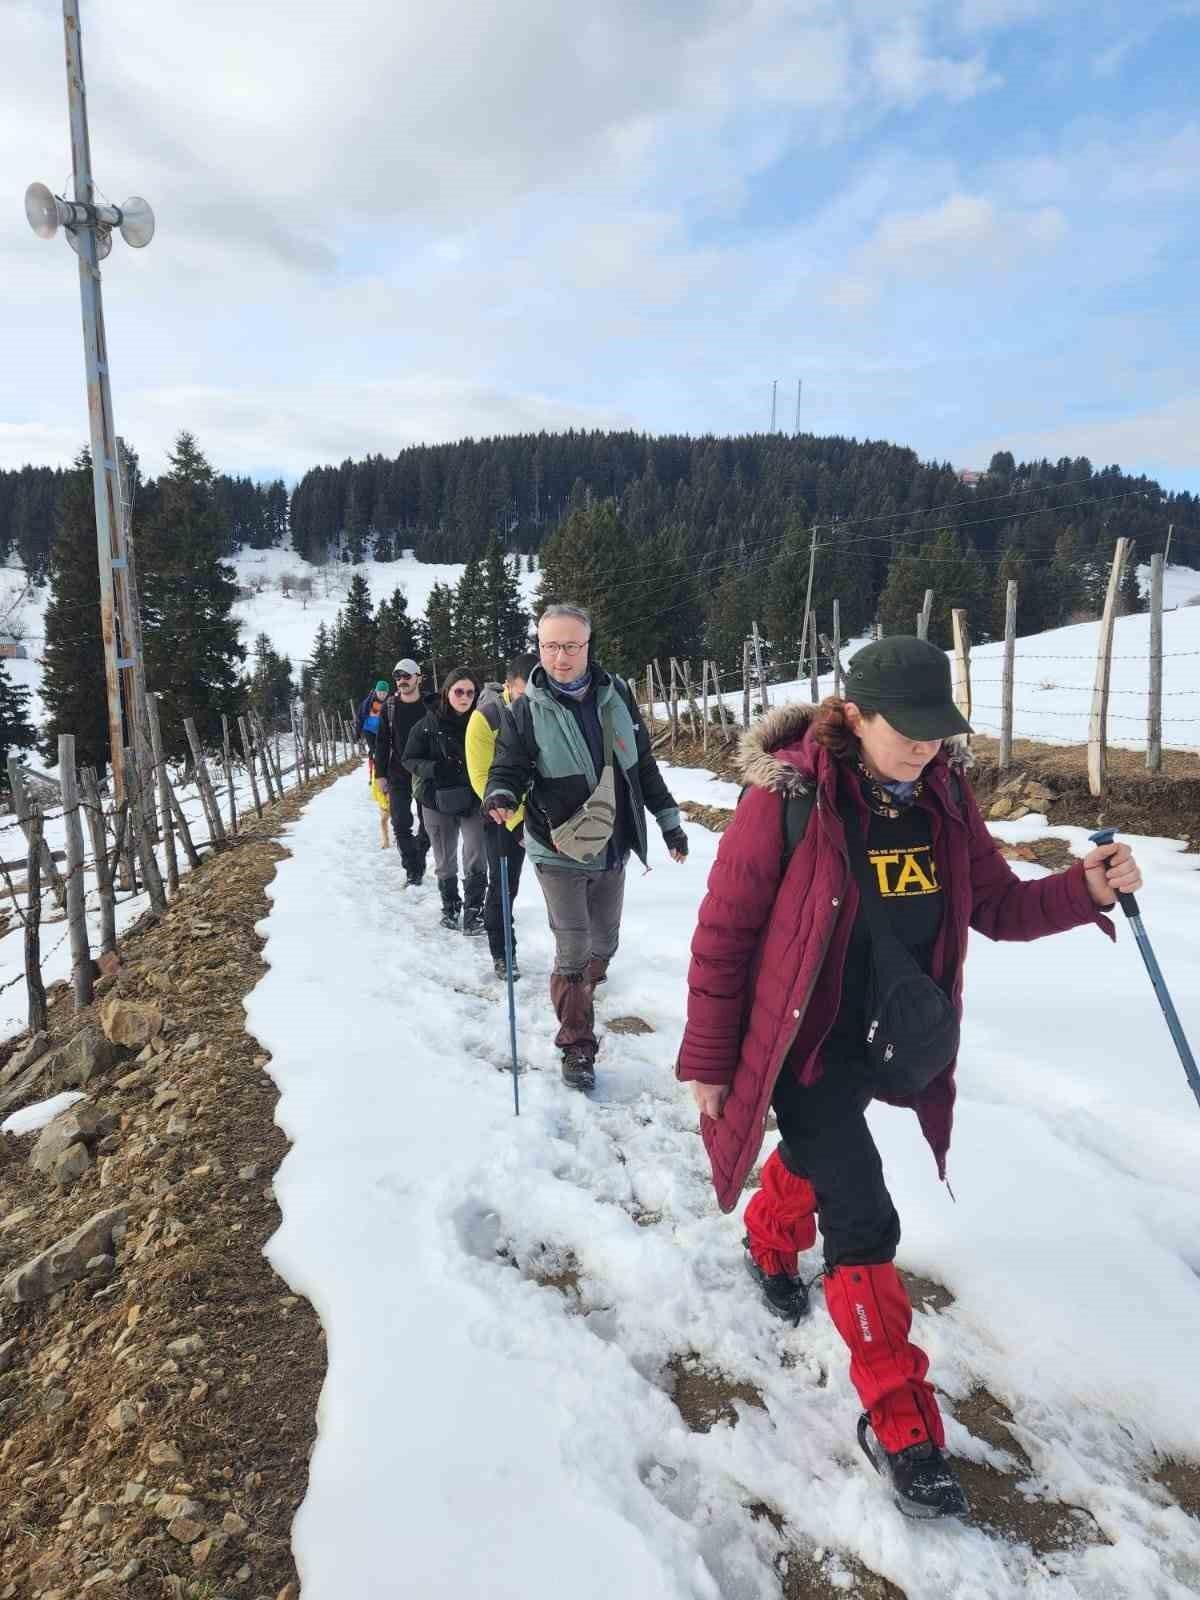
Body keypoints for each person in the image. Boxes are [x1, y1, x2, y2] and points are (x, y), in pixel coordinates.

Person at [674, 636, 1142, 1520]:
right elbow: (725, 934)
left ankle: (771, 1242)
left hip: (886, 1036)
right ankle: (901, 1424)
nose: (926, 746)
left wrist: (1086, 892)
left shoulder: (943, 799)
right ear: (854, 715)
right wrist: (707, 1060)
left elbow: (998, 904)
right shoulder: (789, 799)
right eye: (908, 730)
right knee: (862, 1213)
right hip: (802, 1047)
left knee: (823, 1161)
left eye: (938, 730)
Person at [484, 604, 688, 1091]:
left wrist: (669, 823)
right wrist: (501, 793)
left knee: (604, 943)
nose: (561, 656)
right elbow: (507, 766)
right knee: (573, 947)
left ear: (588, 647)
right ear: (539, 648)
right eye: (551, 645)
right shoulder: (524, 710)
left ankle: (582, 989)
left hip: (612, 842)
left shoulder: (616, 695)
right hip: (557, 848)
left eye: (571, 645)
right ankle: (577, 1043)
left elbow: (642, 766)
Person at [467, 653, 538, 979]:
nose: (531, 701)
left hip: (546, 811)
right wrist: (518, 821)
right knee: (503, 887)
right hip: (501, 816)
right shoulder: (486, 718)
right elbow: (482, 777)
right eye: (524, 694)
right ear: (509, 687)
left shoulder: (548, 707)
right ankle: (503, 953)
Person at [404, 668, 485, 932]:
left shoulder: (481, 721)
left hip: (473, 799)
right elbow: (409, 759)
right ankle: (450, 906)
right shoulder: (427, 724)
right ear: (446, 692)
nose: (464, 697)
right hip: (436, 800)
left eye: (470, 692)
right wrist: (434, 769)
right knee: (444, 857)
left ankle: (475, 910)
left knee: (476, 852)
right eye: (458, 691)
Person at [373, 658, 431, 885]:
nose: (402, 681)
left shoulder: (430, 705)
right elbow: (381, 743)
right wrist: (380, 775)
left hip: (426, 773)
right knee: (399, 822)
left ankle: (420, 852)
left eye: (407, 676)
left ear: (418, 676)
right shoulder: (389, 707)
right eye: (397, 677)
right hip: (398, 772)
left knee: (429, 826)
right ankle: (412, 869)